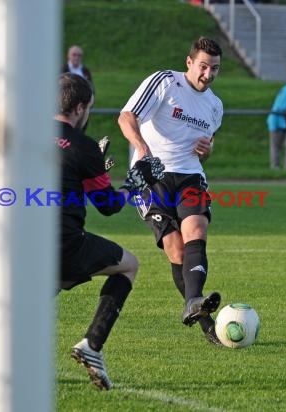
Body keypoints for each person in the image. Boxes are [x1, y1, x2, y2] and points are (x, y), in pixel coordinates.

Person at [56, 73, 164, 390]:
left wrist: (93, 169)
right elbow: (108, 205)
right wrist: (135, 181)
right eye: (87, 108)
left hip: (19, 239)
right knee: (129, 264)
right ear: (79, 108)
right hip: (65, 243)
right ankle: (92, 344)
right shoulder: (83, 145)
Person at [118, 37, 224, 345]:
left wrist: (206, 150)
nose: (208, 74)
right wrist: (142, 149)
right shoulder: (165, 82)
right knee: (175, 249)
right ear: (189, 62)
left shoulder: (215, 106)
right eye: (203, 66)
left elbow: (207, 147)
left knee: (197, 230)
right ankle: (204, 320)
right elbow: (127, 117)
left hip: (190, 175)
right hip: (154, 177)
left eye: (214, 69)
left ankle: (194, 303)